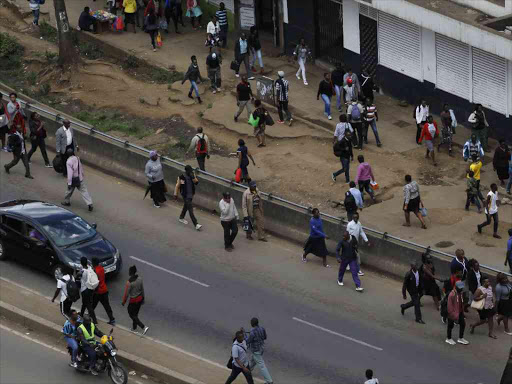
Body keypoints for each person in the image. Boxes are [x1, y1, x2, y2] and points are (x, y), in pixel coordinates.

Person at [122, 265, 149, 334]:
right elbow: (142, 289)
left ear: (131, 272)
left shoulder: (129, 282)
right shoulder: (140, 279)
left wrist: (123, 302)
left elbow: (126, 294)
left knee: (131, 314)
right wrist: (143, 298)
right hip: (140, 299)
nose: (128, 272)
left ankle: (143, 327)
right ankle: (134, 328)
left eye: (129, 271)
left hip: (133, 301)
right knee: (135, 314)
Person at [174, 165, 202, 230]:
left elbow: (196, 183)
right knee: (190, 209)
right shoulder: (181, 177)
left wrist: (193, 177)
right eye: (189, 171)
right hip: (185, 195)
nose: (191, 172)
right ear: (186, 171)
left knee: (186, 206)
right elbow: (177, 186)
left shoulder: (192, 174)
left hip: (191, 195)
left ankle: (181, 217)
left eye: (191, 170)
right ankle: (196, 224)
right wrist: (175, 194)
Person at [245, 318, 272, 384]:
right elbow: (265, 337)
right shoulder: (262, 329)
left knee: (261, 365)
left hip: (256, 350)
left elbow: (247, 341)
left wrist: (245, 335)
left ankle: (269, 381)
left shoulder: (252, 332)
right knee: (253, 360)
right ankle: (248, 370)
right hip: (261, 348)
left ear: (252, 324)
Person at [91, 257, 115, 325]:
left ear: (93, 263)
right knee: (107, 306)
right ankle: (112, 319)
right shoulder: (101, 268)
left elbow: (95, 282)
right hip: (104, 290)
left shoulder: (94, 271)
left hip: (98, 292)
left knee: (92, 305)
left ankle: (91, 318)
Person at [446, 281, 469, 345]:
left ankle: (460, 338)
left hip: (459, 312)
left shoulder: (460, 293)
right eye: (460, 288)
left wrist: (462, 311)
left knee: (463, 324)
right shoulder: (452, 294)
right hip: (452, 313)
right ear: (456, 287)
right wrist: (453, 315)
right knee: (450, 326)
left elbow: (461, 303)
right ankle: (448, 338)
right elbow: (449, 307)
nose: (461, 289)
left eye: (462, 288)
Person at [347, 212, 369, 276]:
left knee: (352, 256)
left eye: (357, 217)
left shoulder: (359, 224)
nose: (356, 218)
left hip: (356, 243)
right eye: (354, 217)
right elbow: (347, 234)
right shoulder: (350, 224)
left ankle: (348, 266)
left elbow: (361, 232)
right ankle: (358, 270)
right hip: (350, 243)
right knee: (357, 257)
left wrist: (366, 240)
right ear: (352, 218)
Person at [78, 257, 98, 325]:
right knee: (84, 303)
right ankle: (81, 315)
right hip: (90, 289)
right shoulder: (90, 268)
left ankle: (95, 321)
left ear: (81, 263)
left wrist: (76, 272)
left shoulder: (83, 271)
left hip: (84, 290)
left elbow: (77, 276)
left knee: (88, 305)